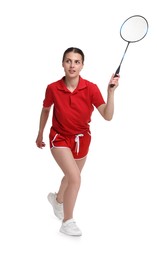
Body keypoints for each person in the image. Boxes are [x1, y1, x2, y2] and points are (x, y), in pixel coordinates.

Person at [36, 47, 120, 236]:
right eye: (68, 61)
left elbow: (107, 116)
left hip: (82, 139)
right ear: (62, 63)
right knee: (75, 178)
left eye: (76, 61)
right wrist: (40, 133)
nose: (72, 65)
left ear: (82, 65)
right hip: (59, 137)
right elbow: (45, 110)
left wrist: (111, 92)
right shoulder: (53, 88)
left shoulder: (90, 88)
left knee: (70, 177)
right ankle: (67, 221)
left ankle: (57, 200)